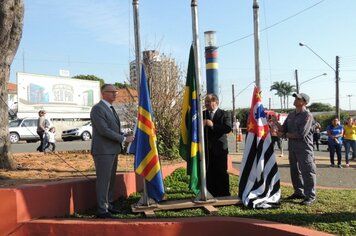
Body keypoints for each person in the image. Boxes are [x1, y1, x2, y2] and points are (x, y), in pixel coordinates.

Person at [90, 84, 135, 219]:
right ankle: (102, 210)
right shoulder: (98, 109)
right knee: (104, 181)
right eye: (111, 92)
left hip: (112, 150)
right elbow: (103, 130)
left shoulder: (110, 108)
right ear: (103, 93)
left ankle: (108, 205)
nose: (115, 94)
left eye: (116, 92)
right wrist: (123, 138)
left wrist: (125, 134)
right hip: (103, 151)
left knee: (110, 180)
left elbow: (113, 129)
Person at [276, 93, 317, 205]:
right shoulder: (291, 115)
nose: (295, 99)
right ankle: (299, 191)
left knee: (308, 171)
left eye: (298, 98)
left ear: (303, 102)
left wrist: (284, 134)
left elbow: (301, 134)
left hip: (304, 148)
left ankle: (310, 196)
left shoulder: (307, 115)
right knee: (295, 171)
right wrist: (276, 123)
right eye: (295, 98)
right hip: (292, 147)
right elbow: (284, 129)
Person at [203, 94, 232, 197]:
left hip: (220, 149)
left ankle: (224, 194)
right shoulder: (202, 114)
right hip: (206, 149)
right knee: (208, 172)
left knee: (221, 172)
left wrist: (213, 125)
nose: (206, 104)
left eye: (208, 101)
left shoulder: (224, 114)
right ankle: (210, 193)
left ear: (216, 102)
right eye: (205, 101)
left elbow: (228, 128)